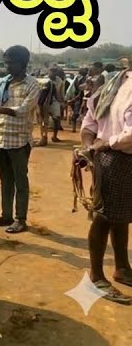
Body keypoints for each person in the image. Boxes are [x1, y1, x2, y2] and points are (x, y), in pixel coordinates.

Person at [0, 45, 47, 234]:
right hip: (0, 140)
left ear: (23, 64)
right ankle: (6, 215)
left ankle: (20, 219)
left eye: (11, 63)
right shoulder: (2, 83)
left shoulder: (33, 84)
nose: (7, 66)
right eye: (6, 62)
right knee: (5, 181)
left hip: (19, 141)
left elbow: (23, 111)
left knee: (20, 181)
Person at [81, 61, 132, 304]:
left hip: (111, 152)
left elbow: (89, 123)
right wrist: (99, 144)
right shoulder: (115, 84)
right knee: (106, 215)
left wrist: (92, 144)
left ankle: (122, 267)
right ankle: (96, 276)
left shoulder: (115, 82)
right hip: (117, 155)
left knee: (120, 214)